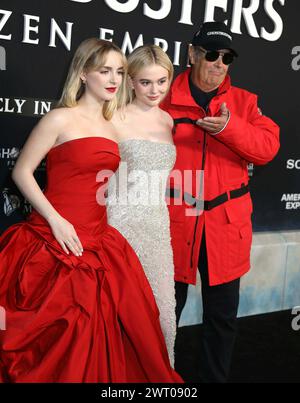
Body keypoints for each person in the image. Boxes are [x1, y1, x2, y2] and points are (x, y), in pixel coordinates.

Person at [0, 38, 182, 383]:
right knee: (52, 332)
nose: (113, 79)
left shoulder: (114, 124)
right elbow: (21, 172)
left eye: (119, 71)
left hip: (100, 239)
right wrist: (55, 220)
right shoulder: (59, 118)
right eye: (104, 71)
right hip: (53, 238)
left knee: (111, 333)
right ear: (84, 74)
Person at [160, 21, 280, 382]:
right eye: (211, 54)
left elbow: (267, 149)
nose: (219, 63)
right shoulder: (161, 96)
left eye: (226, 58)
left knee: (222, 319)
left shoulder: (244, 102)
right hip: (173, 222)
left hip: (225, 227)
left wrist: (230, 128)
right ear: (192, 54)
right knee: (164, 316)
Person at [107, 45, 177, 366]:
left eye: (162, 81)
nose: (155, 90)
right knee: (118, 316)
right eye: (146, 82)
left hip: (157, 228)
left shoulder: (168, 121)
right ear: (131, 81)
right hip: (119, 228)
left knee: (163, 315)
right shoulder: (112, 116)